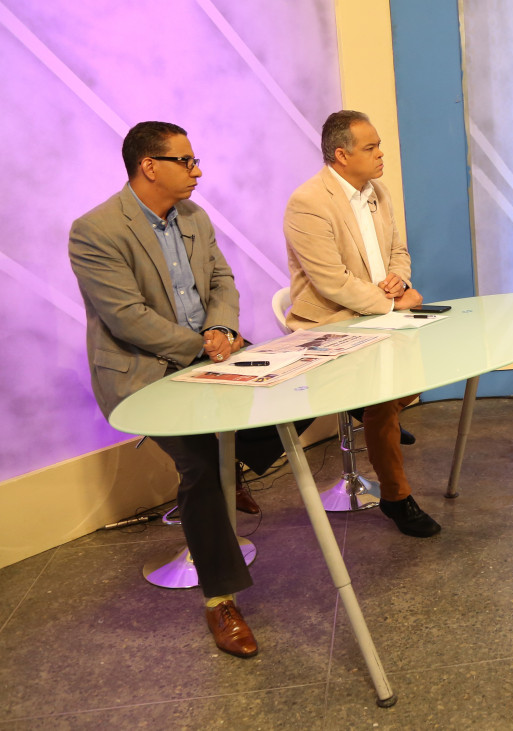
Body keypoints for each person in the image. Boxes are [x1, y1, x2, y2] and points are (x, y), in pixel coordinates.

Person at [69, 121, 276, 657]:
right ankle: (221, 600)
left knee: (291, 393)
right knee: (202, 465)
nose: (197, 172)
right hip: (144, 373)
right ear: (149, 166)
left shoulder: (194, 217)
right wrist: (201, 346)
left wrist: (223, 329)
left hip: (209, 352)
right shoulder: (94, 230)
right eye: (186, 161)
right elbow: (127, 318)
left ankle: (235, 462)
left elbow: (222, 282)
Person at [282, 110, 439, 538]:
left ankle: (372, 410)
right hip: (332, 323)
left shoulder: (378, 191)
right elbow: (331, 282)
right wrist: (393, 305)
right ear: (341, 155)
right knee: (383, 401)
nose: (380, 153)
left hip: (379, 313)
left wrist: (399, 280)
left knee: (434, 357)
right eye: (370, 148)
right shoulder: (308, 202)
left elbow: (398, 250)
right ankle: (397, 497)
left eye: (379, 145)